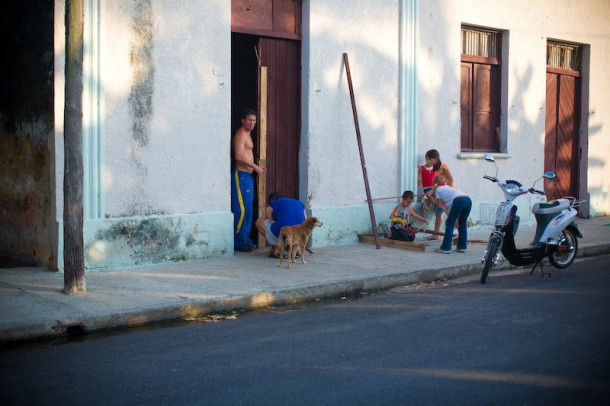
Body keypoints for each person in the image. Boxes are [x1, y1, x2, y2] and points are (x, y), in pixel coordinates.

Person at [232, 109, 265, 252]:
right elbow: (239, 156)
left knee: (249, 210)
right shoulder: (240, 133)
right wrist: (256, 167)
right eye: (249, 120)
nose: (252, 123)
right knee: (241, 210)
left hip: (248, 177)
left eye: (254, 120)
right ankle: (238, 242)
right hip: (241, 176)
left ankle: (246, 240)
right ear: (243, 120)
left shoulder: (248, 135)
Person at [255, 192, 307, 258]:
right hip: (300, 234)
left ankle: (277, 250)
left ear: (272, 201)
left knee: (259, 222)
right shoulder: (299, 203)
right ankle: (295, 250)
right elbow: (305, 220)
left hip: (284, 232)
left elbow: (270, 220)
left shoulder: (273, 204)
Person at [418, 149, 454, 241]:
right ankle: (436, 234)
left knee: (445, 213)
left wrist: (445, 192)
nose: (428, 161)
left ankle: (439, 234)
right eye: (426, 159)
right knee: (438, 213)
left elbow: (450, 180)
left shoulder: (443, 167)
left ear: (436, 159)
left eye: (430, 159)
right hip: (438, 192)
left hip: (444, 193)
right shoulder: (432, 167)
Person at [430, 175, 471, 254]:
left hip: (458, 200)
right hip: (468, 199)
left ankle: (446, 248)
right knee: (462, 223)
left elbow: (441, 205)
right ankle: (461, 247)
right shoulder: (448, 187)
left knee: (450, 223)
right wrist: (452, 217)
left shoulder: (438, 190)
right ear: (443, 181)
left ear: (435, 184)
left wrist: (449, 216)